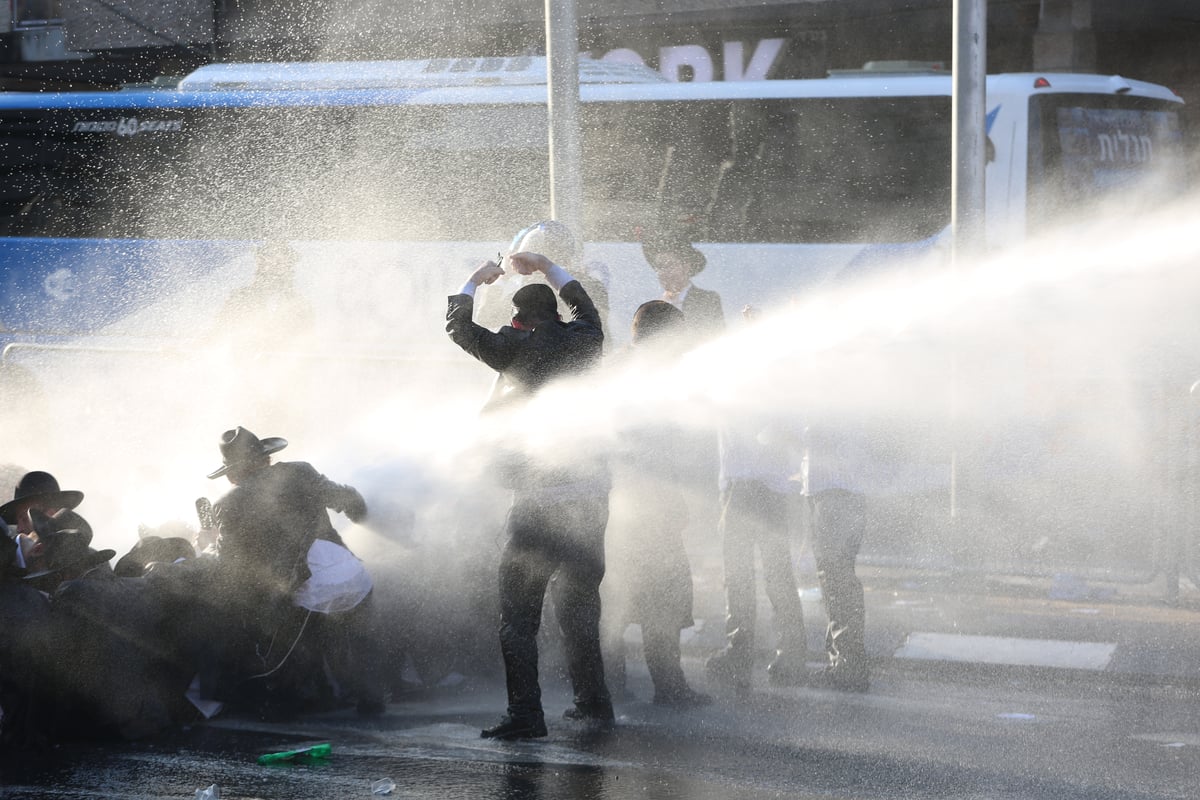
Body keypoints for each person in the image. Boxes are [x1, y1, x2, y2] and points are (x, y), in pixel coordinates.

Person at [446, 249, 612, 740]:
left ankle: (526, 715)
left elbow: (457, 326)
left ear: (518, 319)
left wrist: (475, 279)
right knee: (581, 610)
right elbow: (584, 306)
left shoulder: (510, 348)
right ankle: (594, 704)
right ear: (556, 314)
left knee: (518, 620)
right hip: (590, 498)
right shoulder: (585, 339)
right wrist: (548, 267)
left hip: (539, 505)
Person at [207, 426, 384, 716]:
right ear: (266, 458)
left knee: (279, 625)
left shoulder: (228, 504)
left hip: (308, 589)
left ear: (232, 473)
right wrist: (369, 520)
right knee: (355, 636)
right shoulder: (300, 471)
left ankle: (304, 697)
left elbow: (232, 565)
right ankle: (370, 697)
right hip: (354, 575)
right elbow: (349, 499)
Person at [601, 300, 711, 708]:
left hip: (623, 508)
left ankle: (615, 685)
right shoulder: (649, 373)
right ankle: (667, 685)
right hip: (644, 508)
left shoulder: (614, 366)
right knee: (659, 595)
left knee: (620, 598)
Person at [705, 308, 808, 691]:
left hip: (754, 487)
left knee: (752, 574)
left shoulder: (765, 377)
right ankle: (777, 653)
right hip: (758, 486)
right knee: (760, 574)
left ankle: (751, 651)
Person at [801, 425, 870, 692]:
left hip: (832, 492)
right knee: (838, 578)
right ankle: (845, 663)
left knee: (836, 580)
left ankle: (847, 666)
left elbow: (811, 432)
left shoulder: (825, 391)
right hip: (839, 491)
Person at [474, 220, 611, 336]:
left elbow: (484, 318)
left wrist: (501, 278)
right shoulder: (593, 285)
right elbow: (603, 335)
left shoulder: (526, 296)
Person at [641, 229, 725, 338]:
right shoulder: (652, 308)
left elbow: (716, 337)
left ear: (686, 266)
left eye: (669, 265)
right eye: (659, 267)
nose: (663, 272)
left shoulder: (707, 300)